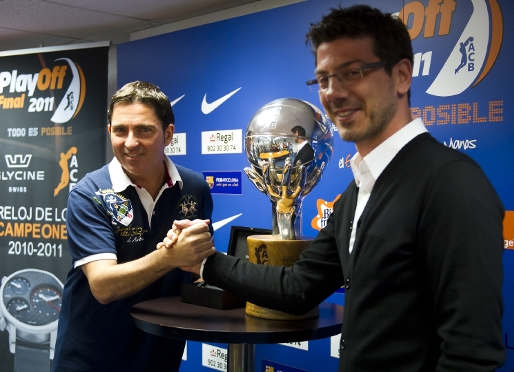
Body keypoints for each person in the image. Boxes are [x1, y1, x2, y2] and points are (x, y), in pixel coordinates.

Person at [169, 5, 506, 372]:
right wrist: (204, 261)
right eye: (324, 79)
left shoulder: (451, 184)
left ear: (402, 76)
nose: (334, 93)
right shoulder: (361, 190)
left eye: (353, 73)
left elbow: (470, 355)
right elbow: (298, 287)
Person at [52, 81, 215, 372]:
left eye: (144, 130)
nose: (130, 142)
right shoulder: (89, 193)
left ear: (168, 134)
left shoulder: (194, 187)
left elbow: (196, 270)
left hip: (159, 354)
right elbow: (102, 286)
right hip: (91, 359)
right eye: (120, 130)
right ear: (109, 132)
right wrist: (169, 257)